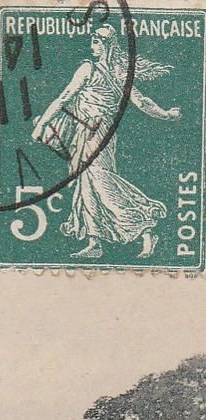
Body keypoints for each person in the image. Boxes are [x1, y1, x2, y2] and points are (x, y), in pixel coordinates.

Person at [32, 25, 179, 259]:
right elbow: (65, 98)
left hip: (98, 133)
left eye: (96, 42)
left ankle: (144, 223)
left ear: (106, 45)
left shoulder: (99, 70)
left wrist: (167, 115)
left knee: (99, 181)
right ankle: (95, 241)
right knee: (86, 184)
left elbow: (140, 102)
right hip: (87, 132)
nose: (92, 45)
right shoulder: (102, 70)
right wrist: (167, 114)